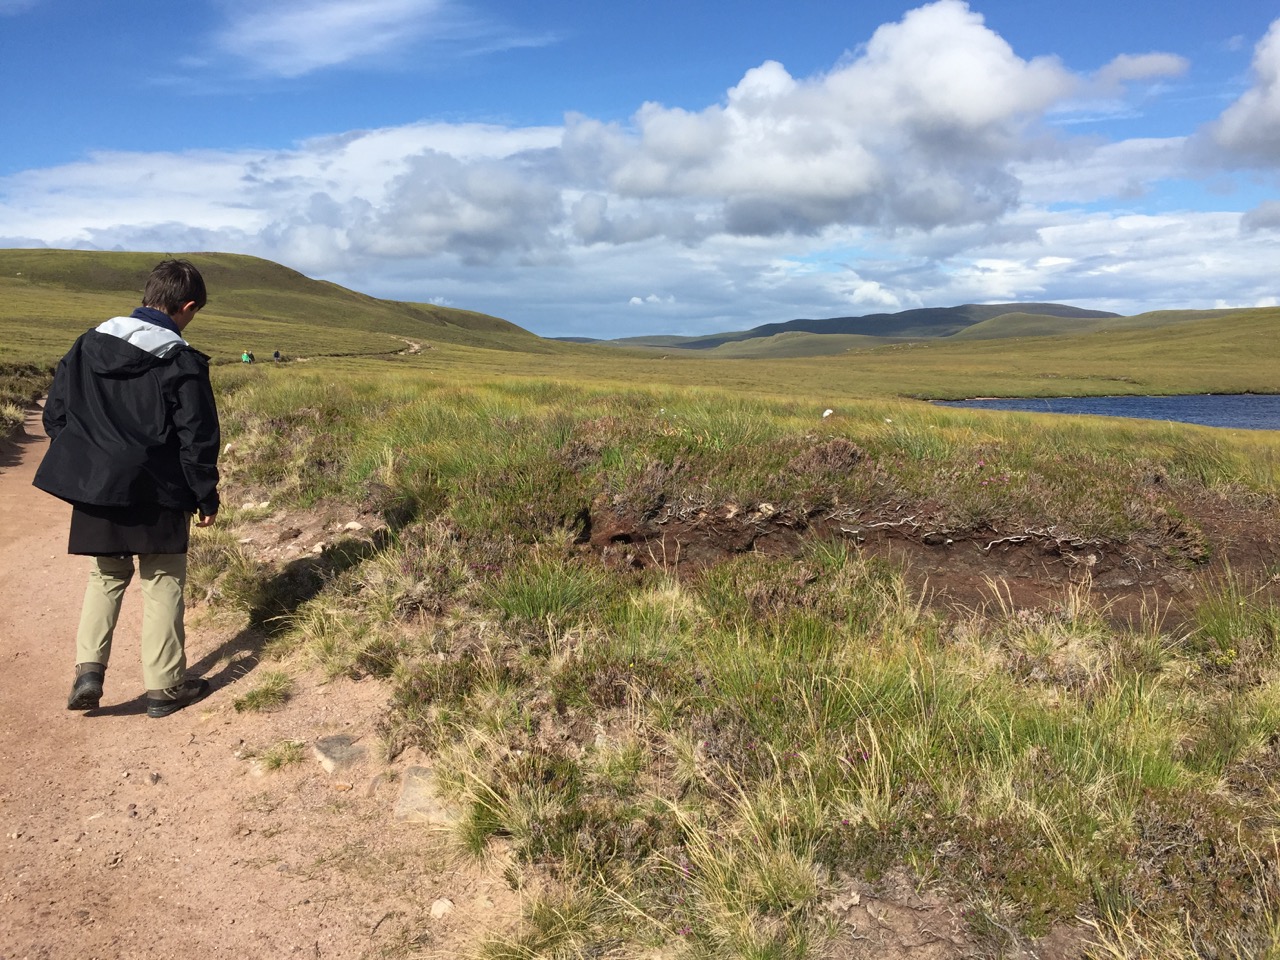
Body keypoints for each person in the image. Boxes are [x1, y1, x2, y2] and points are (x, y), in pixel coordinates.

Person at [33, 259, 220, 718]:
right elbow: (197, 436)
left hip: (99, 488)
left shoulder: (86, 345)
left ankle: (89, 673)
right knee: (162, 581)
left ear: (148, 295)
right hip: (160, 491)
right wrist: (205, 494)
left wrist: (91, 460)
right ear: (187, 306)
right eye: (193, 313)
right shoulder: (181, 360)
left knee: (106, 576)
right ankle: (165, 688)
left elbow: (55, 415)